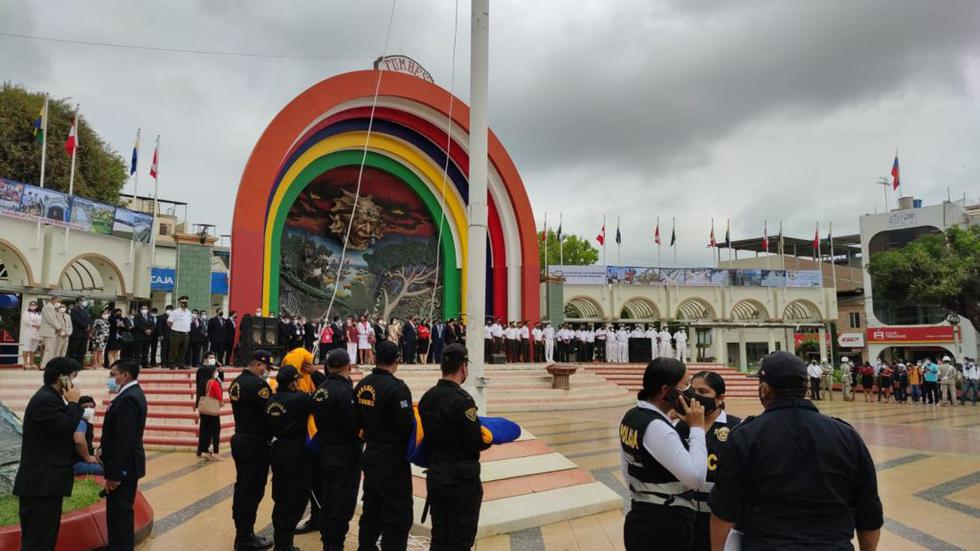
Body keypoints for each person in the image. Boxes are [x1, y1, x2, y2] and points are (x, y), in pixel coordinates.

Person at [708, 351, 883, 550]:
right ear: (807, 386)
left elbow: (724, 510)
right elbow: (868, 512)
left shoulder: (746, 436)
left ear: (764, 389)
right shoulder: (846, 436)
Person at [620, 358, 707, 550]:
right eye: (685, 385)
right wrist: (697, 428)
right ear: (666, 391)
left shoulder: (631, 416)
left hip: (640, 514)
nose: (689, 392)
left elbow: (626, 469)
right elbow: (696, 478)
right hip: (665, 524)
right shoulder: (657, 428)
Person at [418, 344, 492, 550]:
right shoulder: (463, 402)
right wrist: (487, 438)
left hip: (437, 474)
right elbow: (472, 442)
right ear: (463, 367)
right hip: (461, 480)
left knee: (440, 537)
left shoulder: (427, 397)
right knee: (461, 539)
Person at [14, 357, 83, 551]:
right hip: (40, 484)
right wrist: (74, 404)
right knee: (39, 539)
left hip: (47, 484)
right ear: (61, 378)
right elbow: (66, 427)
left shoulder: (51, 398)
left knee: (46, 536)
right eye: (73, 376)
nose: (75, 382)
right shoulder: (45, 400)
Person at [355, 340, 415, 551]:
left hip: (371, 453)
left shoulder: (362, 385)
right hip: (392, 459)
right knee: (397, 515)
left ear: (374, 357)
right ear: (396, 360)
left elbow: (357, 420)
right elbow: (406, 425)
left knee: (371, 509)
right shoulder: (397, 388)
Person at [679, 371, 741, 551]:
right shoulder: (682, 426)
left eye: (703, 392)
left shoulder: (737, 427)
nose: (696, 396)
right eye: (693, 390)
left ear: (720, 398)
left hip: (720, 519)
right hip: (686, 516)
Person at [313, 349, 363, 551]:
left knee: (329, 498)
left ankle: (328, 541)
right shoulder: (345, 393)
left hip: (325, 450)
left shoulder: (321, 389)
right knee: (341, 503)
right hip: (344, 454)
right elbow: (352, 427)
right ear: (348, 367)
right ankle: (334, 544)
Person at [265, 365, 316, 551]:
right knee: (296, 499)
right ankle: (285, 545)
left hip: (278, 450)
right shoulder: (300, 399)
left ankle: (281, 542)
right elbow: (319, 404)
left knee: (281, 498)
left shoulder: (271, 400)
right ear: (293, 382)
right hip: (297, 451)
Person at [229, 351, 275, 551]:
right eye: (265, 367)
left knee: (242, 487)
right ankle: (245, 537)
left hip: (241, 437)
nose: (265, 372)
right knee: (252, 489)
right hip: (255, 442)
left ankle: (243, 532)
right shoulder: (258, 385)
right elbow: (270, 412)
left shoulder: (236, 382)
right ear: (258, 365)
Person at [101, 359, 148, 551]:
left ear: (125, 375)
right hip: (125, 465)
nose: (110, 379)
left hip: (125, 467)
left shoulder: (128, 398)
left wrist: (115, 474)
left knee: (120, 514)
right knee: (118, 513)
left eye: (113, 375)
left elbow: (123, 440)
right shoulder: (129, 394)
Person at [196, 355, 224, 461]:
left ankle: (204, 451)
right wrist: (221, 403)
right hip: (212, 409)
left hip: (204, 408)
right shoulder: (214, 382)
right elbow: (219, 395)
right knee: (216, 430)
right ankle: (215, 452)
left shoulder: (205, 381)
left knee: (205, 430)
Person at [73, 395, 104, 475]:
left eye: (91, 407)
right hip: (76, 463)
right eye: (85, 407)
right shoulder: (80, 422)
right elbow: (79, 441)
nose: (89, 410)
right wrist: (88, 458)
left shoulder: (88, 423)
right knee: (113, 470)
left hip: (80, 461)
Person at [39, 297, 65, 368]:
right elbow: (51, 320)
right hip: (49, 332)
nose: (59, 303)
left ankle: (48, 365)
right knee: (49, 350)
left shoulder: (52, 308)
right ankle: (44, 366)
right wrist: (59, 328)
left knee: (51, 350)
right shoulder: (48, 307)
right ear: (53, 300)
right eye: (58, 301)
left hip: (53, 332)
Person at [167, 296, 193, 369]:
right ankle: (172, 364)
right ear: (179, 303)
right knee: (174, 349)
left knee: (183, 350)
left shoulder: (189, 312)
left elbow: (189, 322)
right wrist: (175, 329)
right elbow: (169, 322)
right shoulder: (175, 312)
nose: (184, 303)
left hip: (186, 333)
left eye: (186, 302)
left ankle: (181, 364)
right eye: (183, 302)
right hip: (176, 333)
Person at [20, 300, 44, 369]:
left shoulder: (39, 313)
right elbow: (26, 321)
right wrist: (35, 325)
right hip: (29, 331)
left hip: (37, 332)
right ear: (29, 306)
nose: (33, 306)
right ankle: (25, 363)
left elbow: (42, 321)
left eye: (34, 305)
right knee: (27, 347)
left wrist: (40, 326)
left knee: (33, 348)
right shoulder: (26, 313)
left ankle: (31, 362)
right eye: (31, 304)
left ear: (37, 306)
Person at [68, 299, 91, 365]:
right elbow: (76, 320)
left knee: (81, 351)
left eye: (84, 300)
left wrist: (89, 326)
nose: (84, 302)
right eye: (82, 300)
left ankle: (79, 364)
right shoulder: (74, 310)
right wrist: (85, 326)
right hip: (76, 333)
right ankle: (71, 365)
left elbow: (88, 320)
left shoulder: (85, 310)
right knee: (73, 350)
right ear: (78, 302)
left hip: (84, 334)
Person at [133, 304, 156, 369]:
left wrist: (151, 330)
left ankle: (145, 364)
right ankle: (137, 364)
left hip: (148, 337)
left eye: (146, 308)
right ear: (140, 309)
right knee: (138, 352)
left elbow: (153, 325)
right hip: (140, 336)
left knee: (146, 351)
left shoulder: (150, 316)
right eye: (143, 308)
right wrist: (145, 330)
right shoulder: (137, 316)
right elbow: (137, 325)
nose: (145, 310)